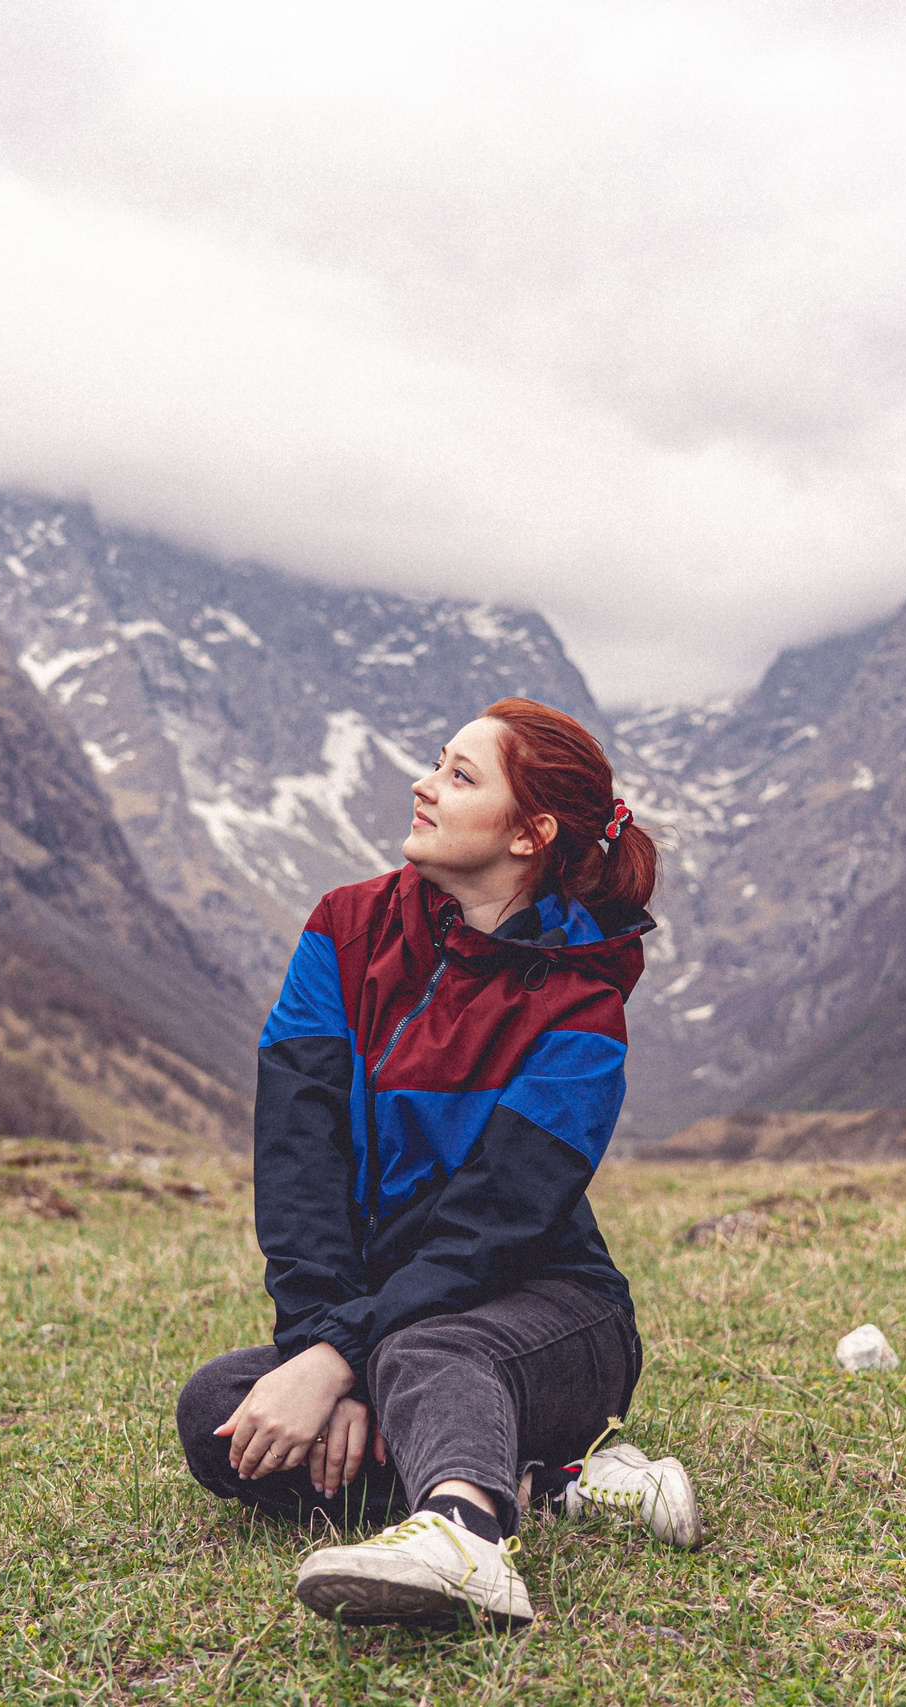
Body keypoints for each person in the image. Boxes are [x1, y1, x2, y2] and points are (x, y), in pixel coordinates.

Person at [175, 696, 700, 1628]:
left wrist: (346, 1353)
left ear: (530, 833)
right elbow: (297, 1159)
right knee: (224, 1411)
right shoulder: (343, 927)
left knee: (430, 1347)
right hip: (389, 1314)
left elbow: (493, 1230)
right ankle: (558, 1481)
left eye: (461, 776)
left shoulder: (582, 1007)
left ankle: (465, 1538)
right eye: (437, 761)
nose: (423, 784)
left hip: (554, 1316)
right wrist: (313, 1350)